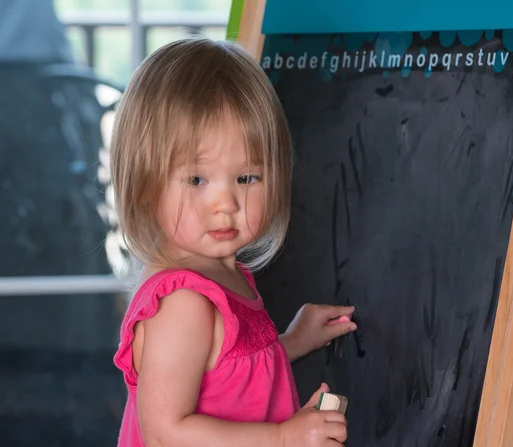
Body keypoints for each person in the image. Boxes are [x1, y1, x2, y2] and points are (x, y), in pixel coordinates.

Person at [111, 38, 358, 447]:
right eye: (196, 180)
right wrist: (282, 437)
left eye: (246, 178)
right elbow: (165, 432)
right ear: (144, 187)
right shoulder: (184, 305)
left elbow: (226, 373)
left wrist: (291, 343)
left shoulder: (223, 273)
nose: (225, 203)